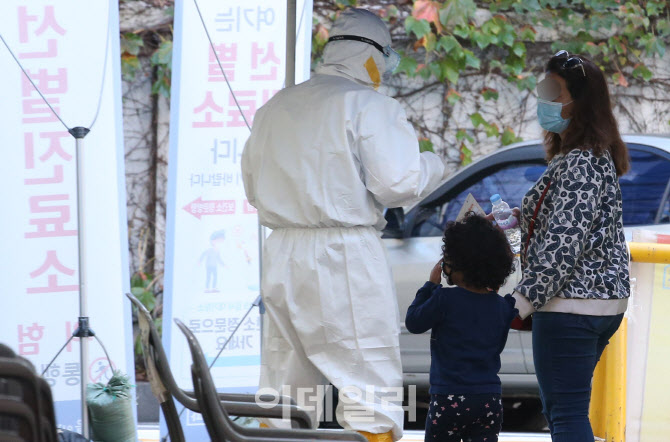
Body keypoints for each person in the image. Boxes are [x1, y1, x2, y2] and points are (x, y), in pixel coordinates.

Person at [241, 8, 448, 442]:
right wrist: (433, 164)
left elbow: (252, 187)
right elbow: (398, 183)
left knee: (285, 379)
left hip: (282, 251)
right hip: (344, 253)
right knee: (366, 374)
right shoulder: (367, 105)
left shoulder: (276, 105)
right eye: (387, 54)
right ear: (371, 54)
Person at [508, 51, 630, 441]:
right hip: (591, 304)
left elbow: (564, 244)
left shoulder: (581, 162)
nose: (543, 101)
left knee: (565, 415)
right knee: (567, 410)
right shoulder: (586, 157)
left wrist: (518, 304)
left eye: (553, 92)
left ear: (581, 102)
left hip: (571, 306)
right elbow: (565, 227)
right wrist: (519, 220)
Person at [405, 214, 517, 442]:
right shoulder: (503, 306)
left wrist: (429, 286)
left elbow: (413, 322)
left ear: (456, 264)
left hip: (448, 398)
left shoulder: (444, 299)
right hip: (489, 399)